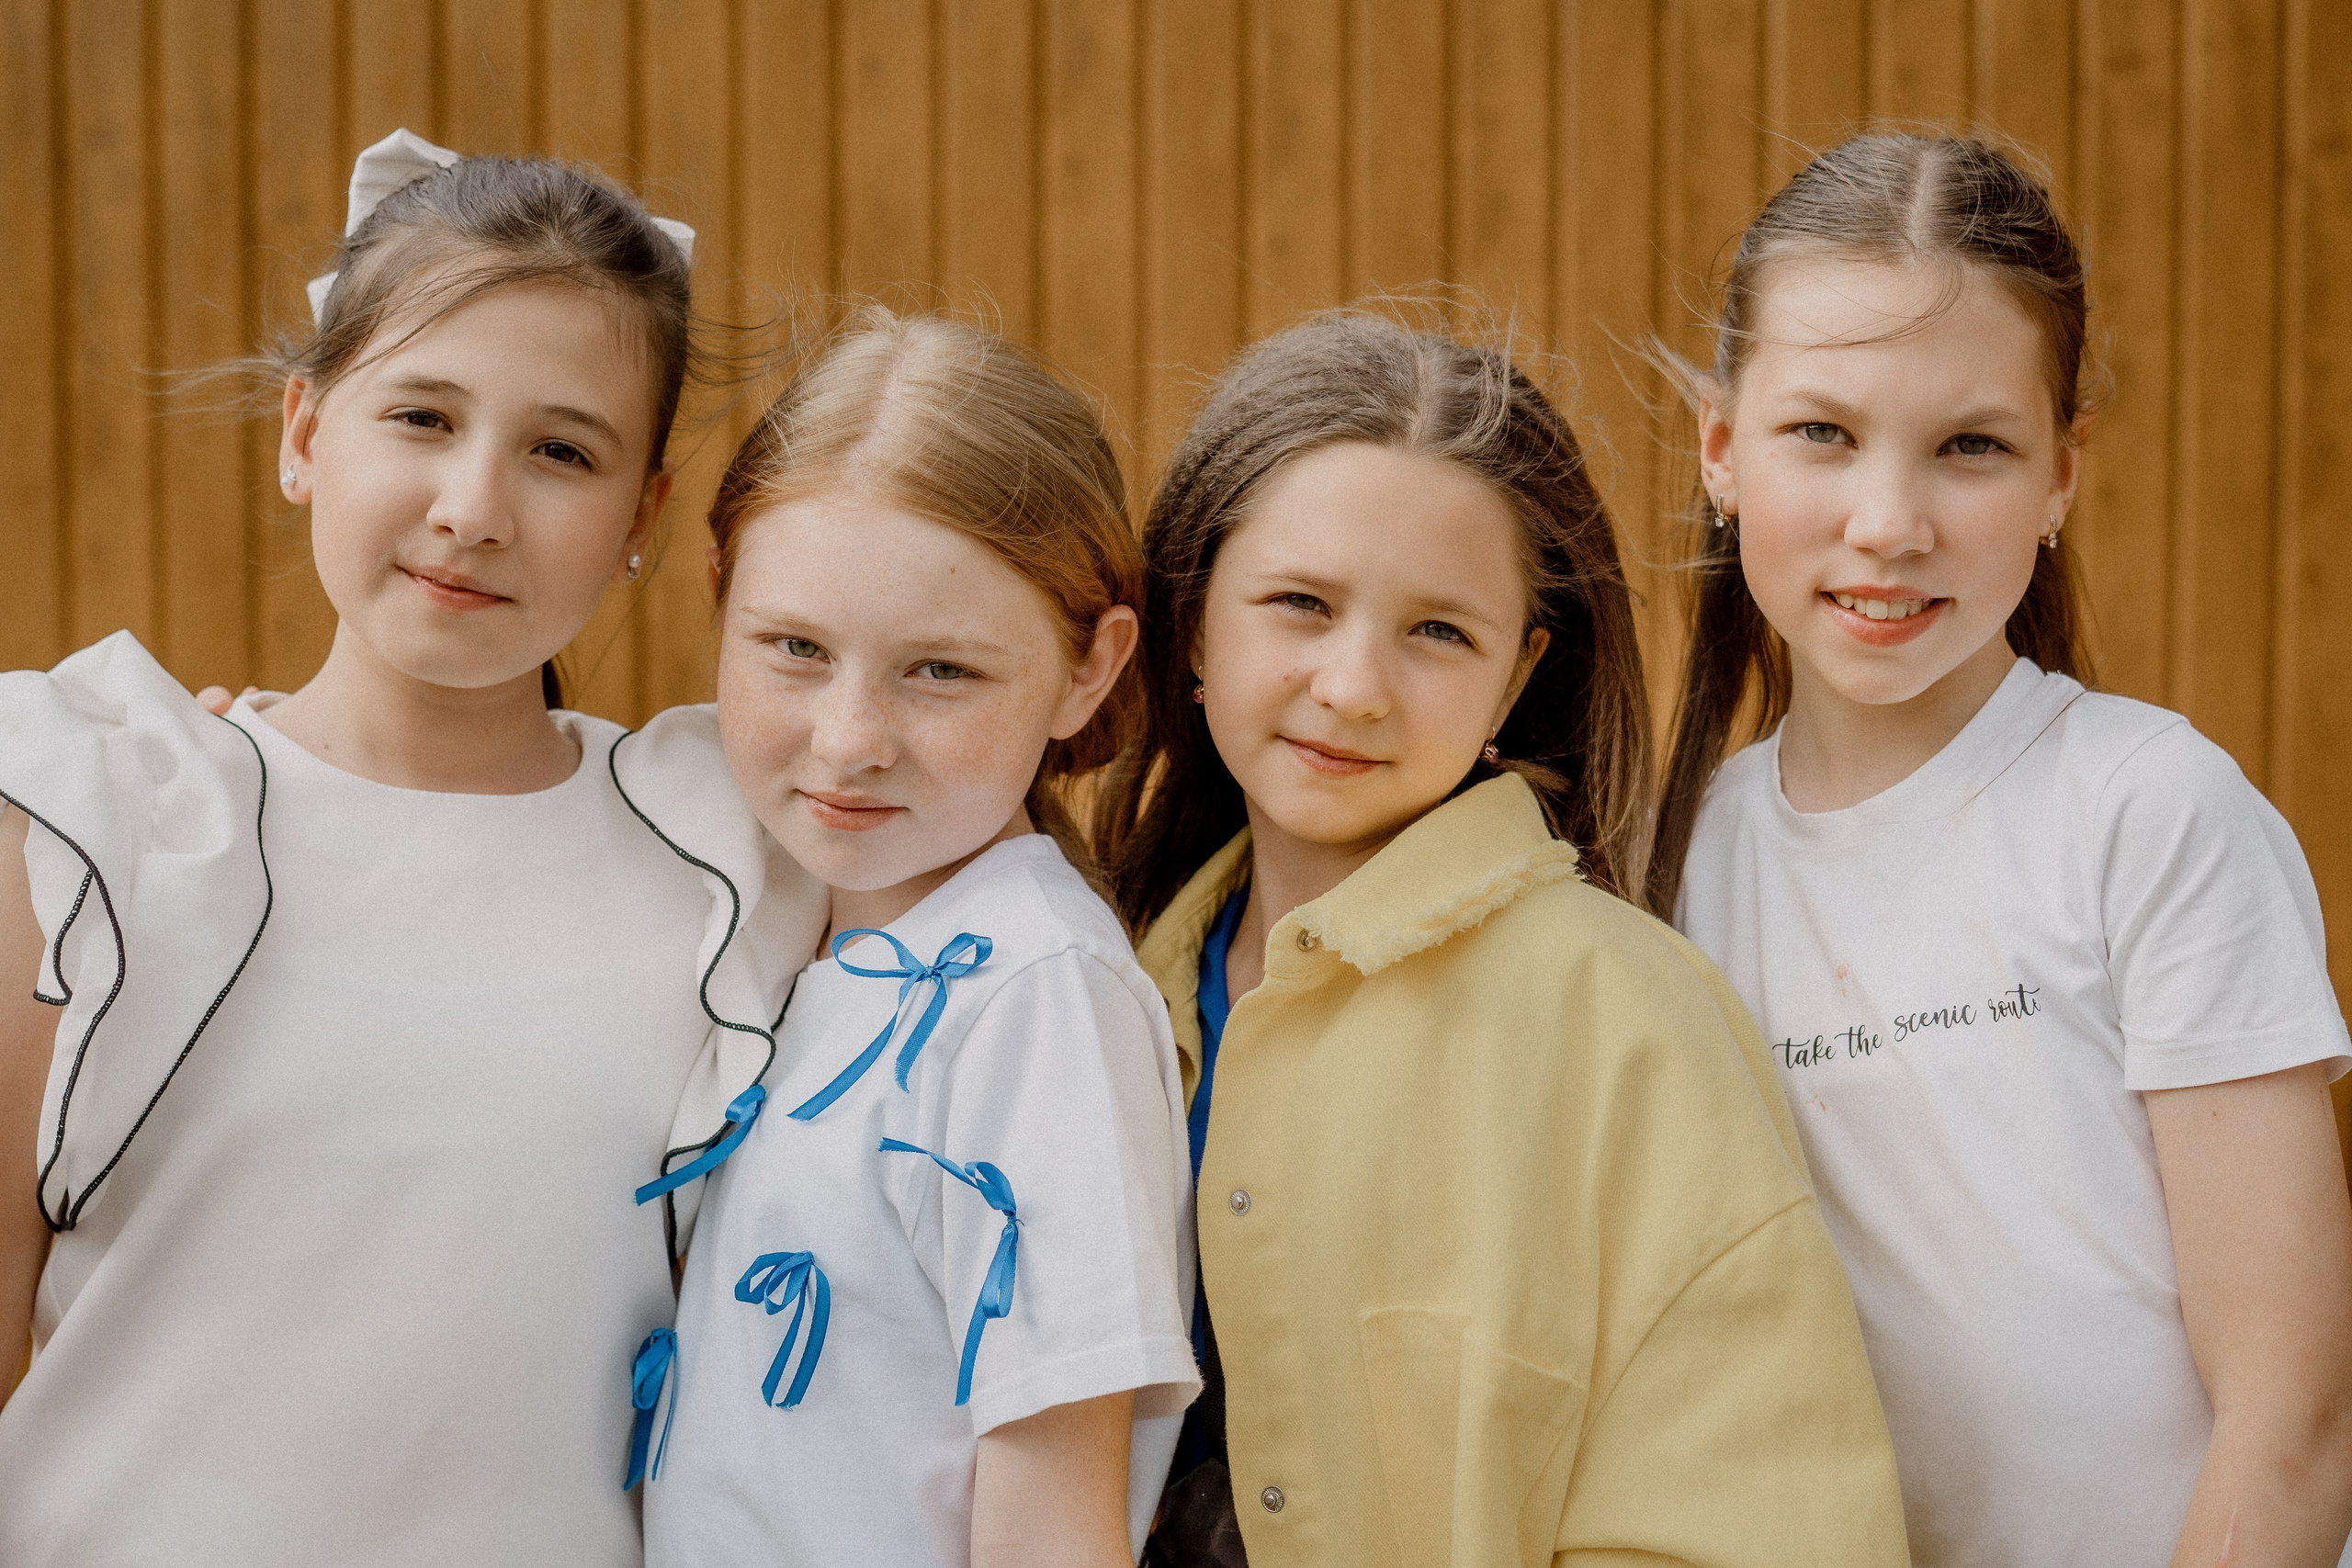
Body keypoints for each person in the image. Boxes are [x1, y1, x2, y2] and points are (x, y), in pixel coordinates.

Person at [0, 130, 822, 1565]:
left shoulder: (733, 858)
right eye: (422, 418)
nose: (473, 509)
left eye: (561, 451)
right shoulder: (103, 820)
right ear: (305, 434)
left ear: (641, 512)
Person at [1100, 309, 1909, 1567]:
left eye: (1438, 631)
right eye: (1299, 603)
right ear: (1197, 620)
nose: (1355, 684)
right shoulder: (1097, 985)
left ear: (1520, 672)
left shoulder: (1629, 1020)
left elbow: (1756, 1527)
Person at [1653, 131, 2352, 1567]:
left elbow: (2294, 1424)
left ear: (2059, 475)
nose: (1888, 522)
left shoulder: (2150, 811)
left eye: (1971, 446)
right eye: (1822, 434)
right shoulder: (1678, 871)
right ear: (1722, 449)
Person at [638, 310, 1197, 1568]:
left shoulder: (1035, 993)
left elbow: (1055, 1532)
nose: (849, 739)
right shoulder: (769, 933)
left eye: (939, 672)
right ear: (720, 601)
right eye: (794, 650)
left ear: (1088, 670)